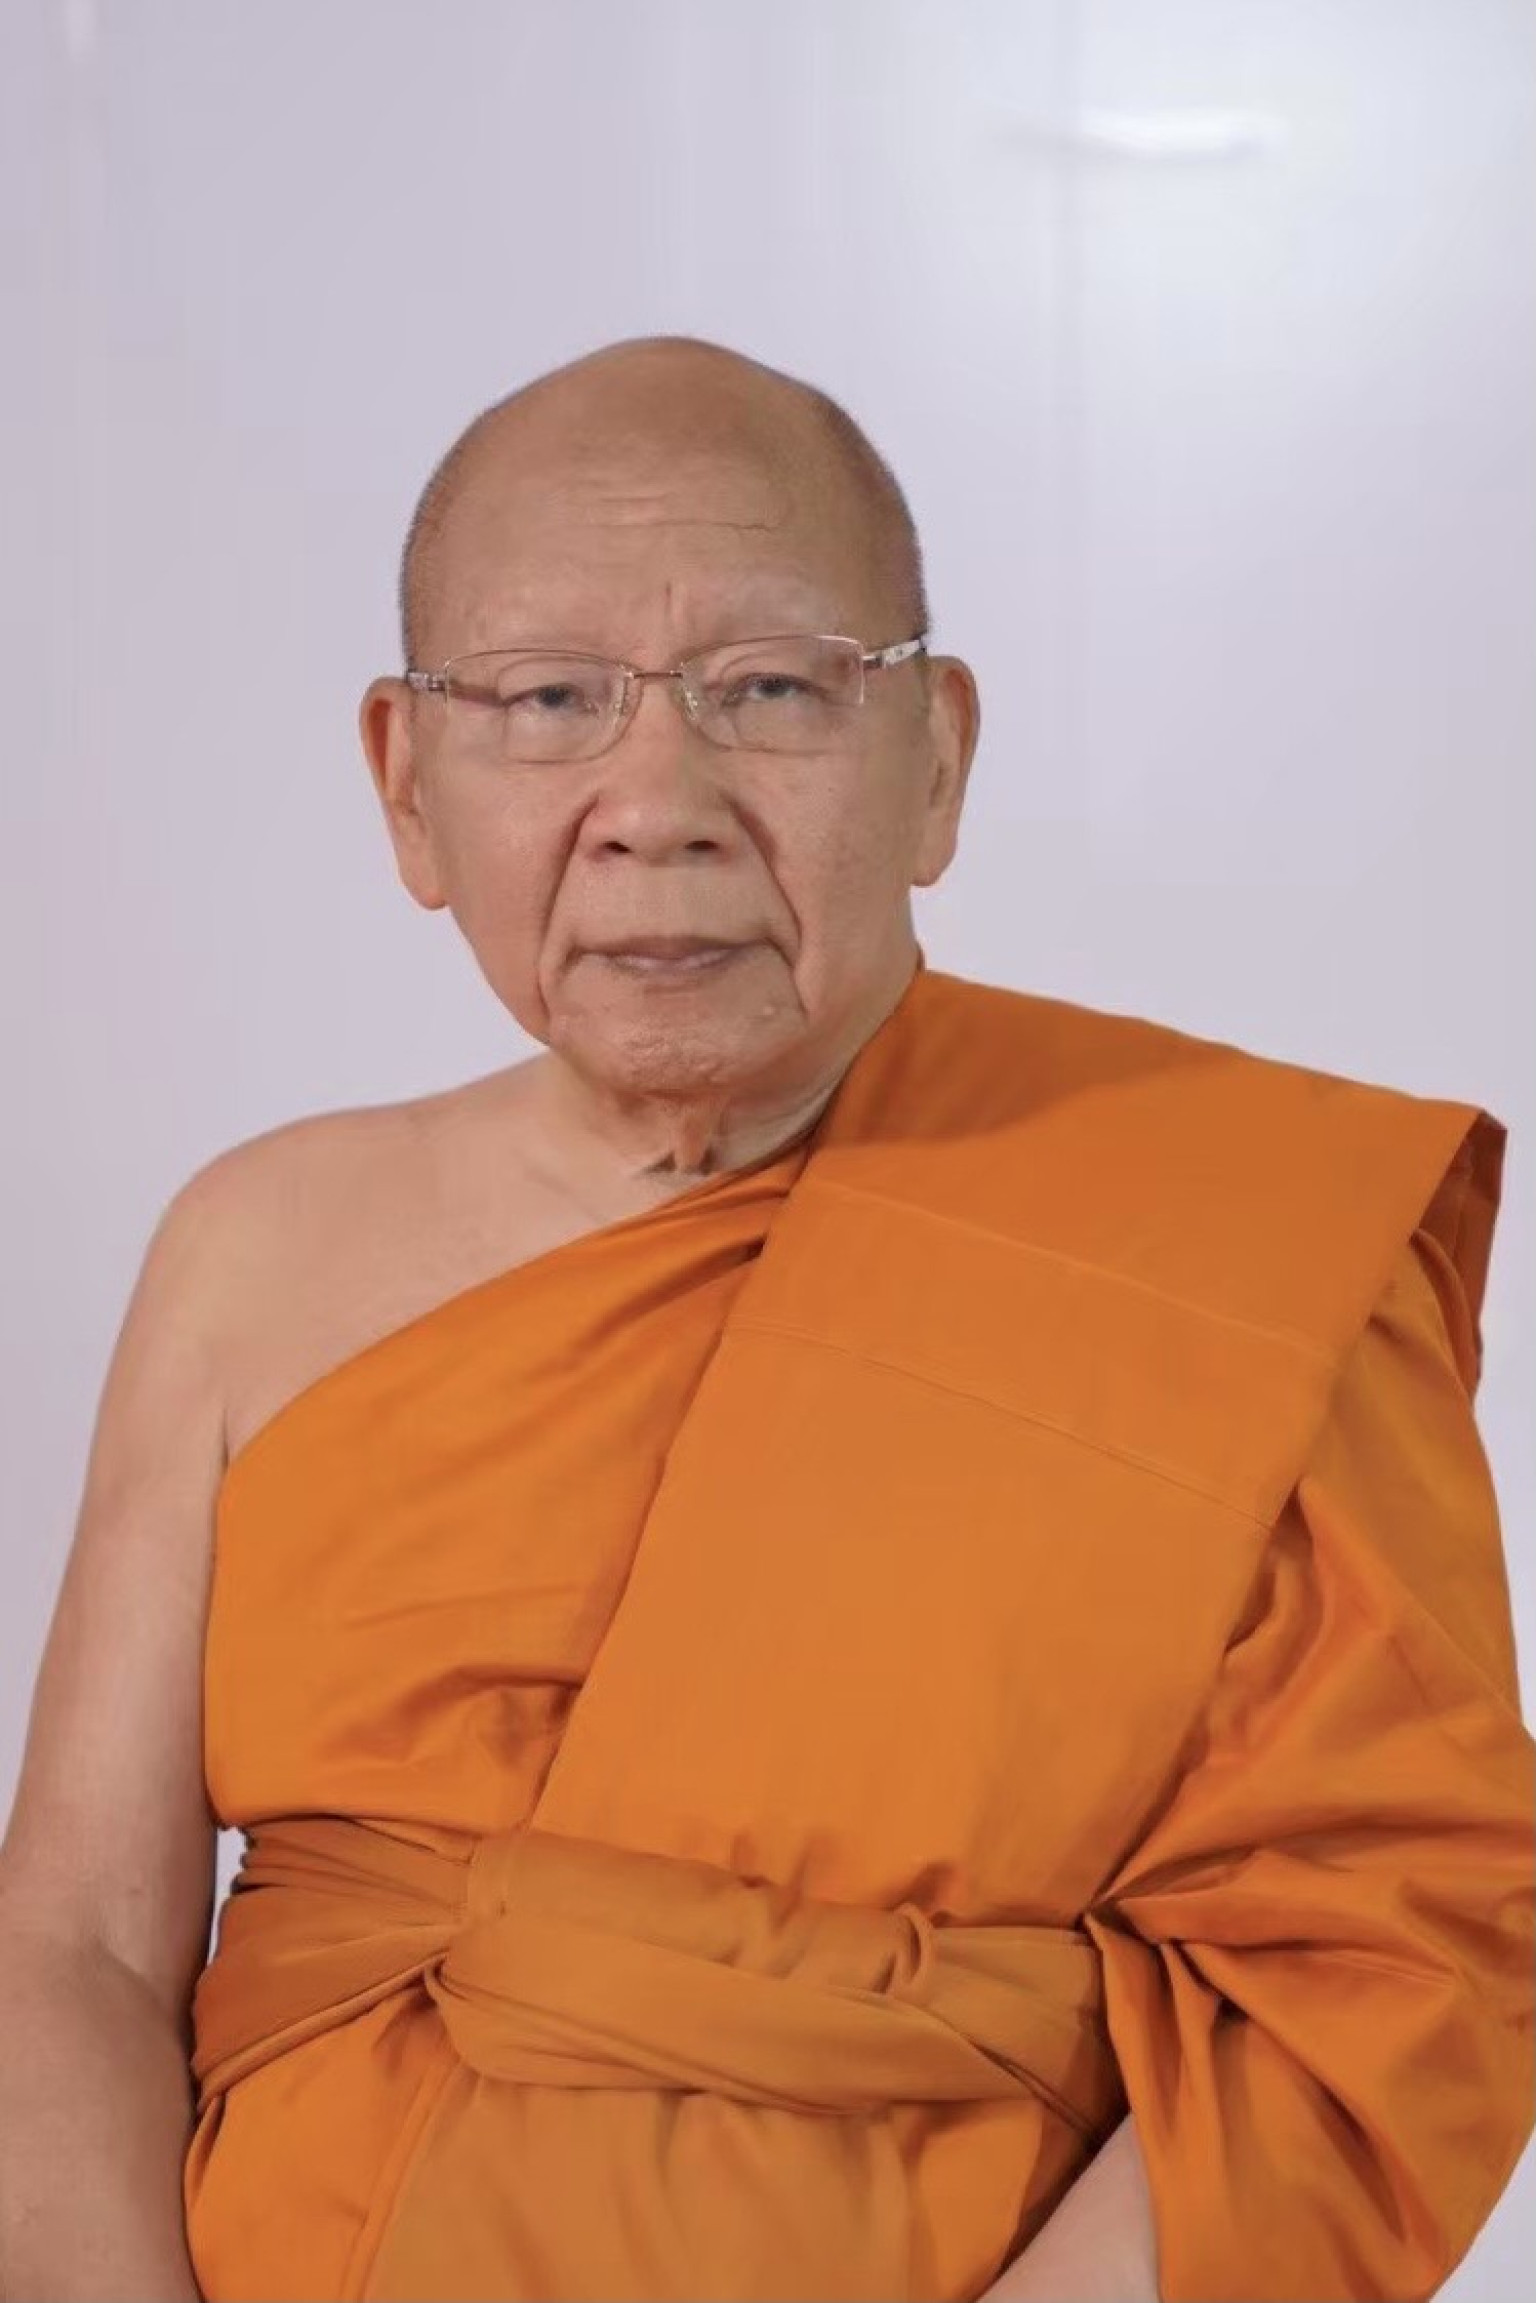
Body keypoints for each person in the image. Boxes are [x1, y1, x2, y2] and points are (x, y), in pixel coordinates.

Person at [0, 333, 1530, 2303]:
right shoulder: (254, 1252)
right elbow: (76, 1952)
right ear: (405, 784)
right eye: (549, 698)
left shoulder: (1233, 1246)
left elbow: (1392, 1969)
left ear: (938, 760)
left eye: (773, 689)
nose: (659, 803)